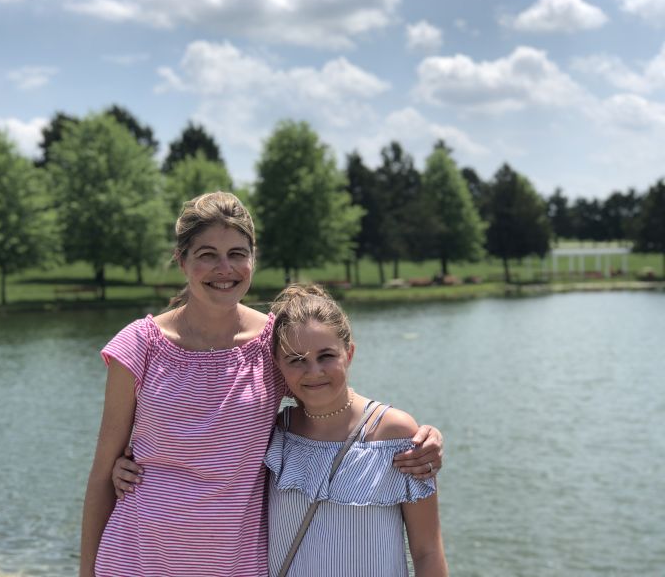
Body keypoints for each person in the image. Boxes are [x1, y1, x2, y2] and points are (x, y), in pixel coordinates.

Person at [81, 192, 443, 577]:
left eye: (237, 253)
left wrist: (417, 436)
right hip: (135, 559)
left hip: (236, 566)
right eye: (207, 254)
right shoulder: (140, 344)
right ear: (182, 260)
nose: (224, 268)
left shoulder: (273, 344)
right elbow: (103, 472)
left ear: (253, 258)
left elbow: (332, 399)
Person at [265, 284, 447, 576]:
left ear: (348, 353)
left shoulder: (395, 433)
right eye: (297, 360)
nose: (314, 371)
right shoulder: (274, 434)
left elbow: (427, 552)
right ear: (278, 364)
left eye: (326, 356)